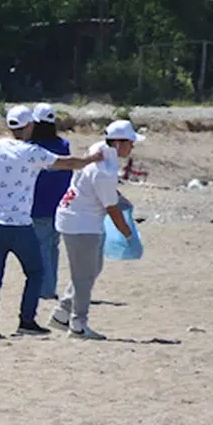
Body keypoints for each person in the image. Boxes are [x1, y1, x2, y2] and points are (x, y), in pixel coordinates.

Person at [0, 105, 103, 338]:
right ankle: (26, 320)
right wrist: (93, 159)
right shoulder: (32, 152)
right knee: (35, 271)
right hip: (19, 224)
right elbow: (67, 163)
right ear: (29, 126)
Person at [50, 120, 142, 340]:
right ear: (118, 143)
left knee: (91, 269)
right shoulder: (105, 172)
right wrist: (128, 234)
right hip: (80, 223)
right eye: (130, 142)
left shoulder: (99, 149)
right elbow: (111, 208)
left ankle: (63, 312)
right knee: (84, 277)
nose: (133, 147)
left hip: (78, 218)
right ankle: (78, 324)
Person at [29, 103, 71, 300]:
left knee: (41, 246)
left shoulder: (32, 148)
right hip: (60, 203)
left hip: (37, 203)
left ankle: (44, 289)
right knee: (52, 246)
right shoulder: (63, 146)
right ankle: (50, 285)